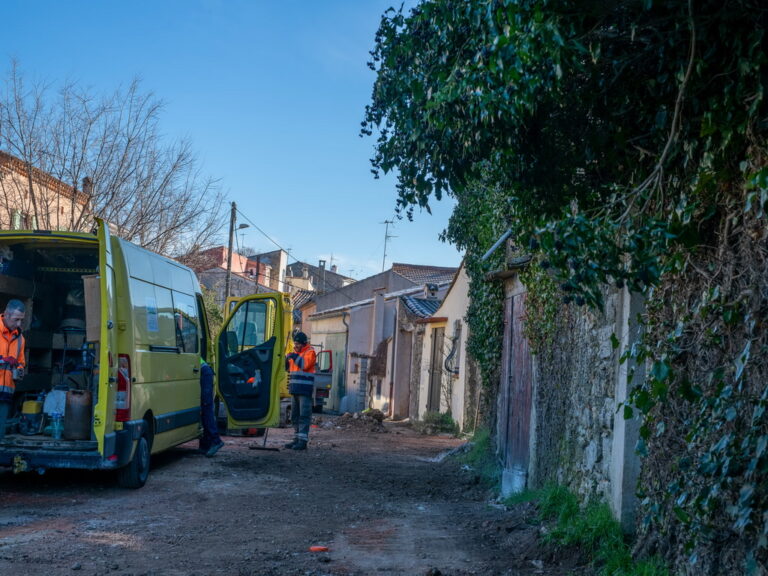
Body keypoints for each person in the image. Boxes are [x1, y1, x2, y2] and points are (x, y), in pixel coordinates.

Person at [284, 331, 316, 451]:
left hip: (304, 391)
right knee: (295, 416)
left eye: (297, 344)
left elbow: (304, 365)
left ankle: (302, 441)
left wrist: (293, 356)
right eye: (294, 343)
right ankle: (297, 438)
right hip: (295, 390)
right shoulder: (295, 354)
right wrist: (285, 360)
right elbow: (287, 368)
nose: (295, 346)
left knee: (304, 415)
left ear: (303, 343)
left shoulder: (310, 352)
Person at [0, 299, 26, 441]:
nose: (19, 324)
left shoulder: (20, 338)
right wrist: (3, 360)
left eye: (21, 320)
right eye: (16, 320)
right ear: (6, 315)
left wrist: (20, 369)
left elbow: (21, 362)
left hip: (5, 394)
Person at [199, 358, 224, 457]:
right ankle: (205, 445)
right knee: (204, 411)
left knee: (206, 409)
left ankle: (216, 441)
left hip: (205, 373)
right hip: (205, 373)